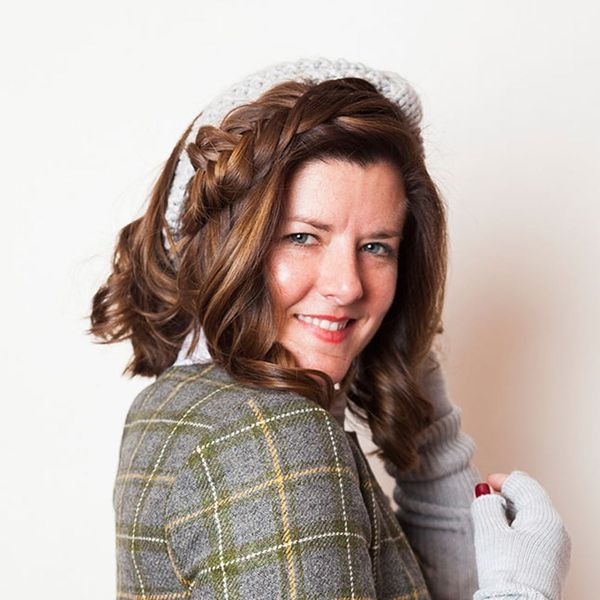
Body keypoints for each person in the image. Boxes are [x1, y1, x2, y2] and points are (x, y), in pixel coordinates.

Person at [90, 57, 571, 599]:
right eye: (302, 237)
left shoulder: (184, 406)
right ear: (225, 248)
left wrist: (411, 374)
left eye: (377, 247)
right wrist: (523, 590)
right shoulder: (274, 436)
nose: (348, 285)